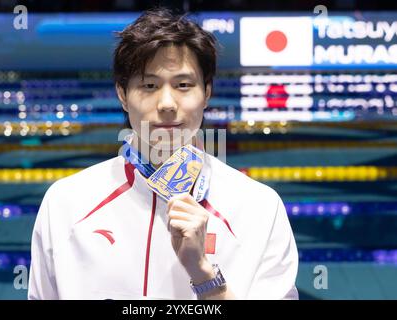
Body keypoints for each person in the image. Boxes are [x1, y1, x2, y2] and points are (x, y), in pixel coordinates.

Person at [28, 7, 299, 300]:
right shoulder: (66, 204)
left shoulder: (259, 209)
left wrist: (205, 275)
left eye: (183, 85)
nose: (167, 103)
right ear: (122, 94)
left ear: (207, 92)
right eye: (149, 85)